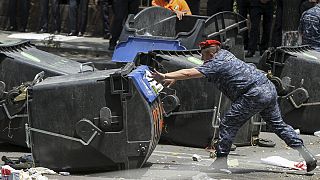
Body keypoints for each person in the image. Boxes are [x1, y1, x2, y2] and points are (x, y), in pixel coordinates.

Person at [150, 39, 317, 172]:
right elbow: (196, 70)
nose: (202, 59)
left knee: (228, 124)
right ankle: (307, 155)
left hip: (253, 94)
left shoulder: (216, 63)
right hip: (267, 88)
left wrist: (164, 75)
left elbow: (189, 72)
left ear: (210, 54)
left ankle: (221, 162)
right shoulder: (226, 56)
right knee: (278, 126)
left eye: (203, 56)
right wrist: (173, 77)